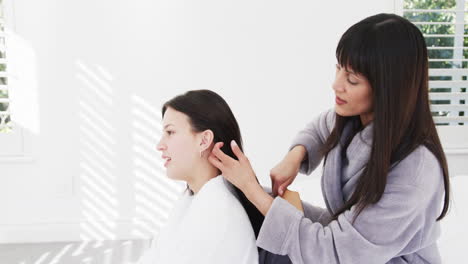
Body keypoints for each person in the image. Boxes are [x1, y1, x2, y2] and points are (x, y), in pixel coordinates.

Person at [209, 13, 450, 263]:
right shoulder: (354, 120)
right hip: (342, 241)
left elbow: (338, 253)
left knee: (261, 207)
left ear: (388, 89)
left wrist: (251, 188)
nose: (336, 85)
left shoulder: (415, 173)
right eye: (338, 69)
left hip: (363, 255)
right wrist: (295, 156)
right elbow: (320, 128)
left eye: (352, 79)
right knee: (258, 212)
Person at [137, 90, 262, 264]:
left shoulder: (217, 215)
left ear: (204, 141)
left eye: (170, 132)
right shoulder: (195, 201)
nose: (160, 145)